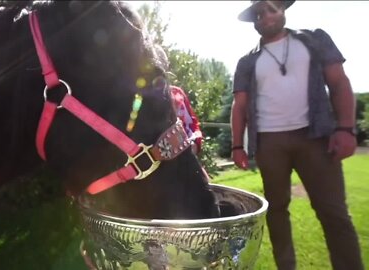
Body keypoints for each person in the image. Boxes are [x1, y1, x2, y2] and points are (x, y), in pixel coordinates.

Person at [231, 1, 364, 269]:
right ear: (254, 22)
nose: (265, 16)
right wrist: (237, 146)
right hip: (270, 143)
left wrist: (346, 129)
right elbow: (240, 106)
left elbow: (339, 82)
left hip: (315, 138)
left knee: (334, 213)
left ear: (282, 10)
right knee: (276, 211)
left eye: (271, 8)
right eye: (259, 13)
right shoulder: (247, 61)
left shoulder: (314, 39)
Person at [154, 45, 203, 155]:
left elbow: (193, 124)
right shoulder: (143, 99)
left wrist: (196, 143)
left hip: (188, 153)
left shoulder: (178, 93)